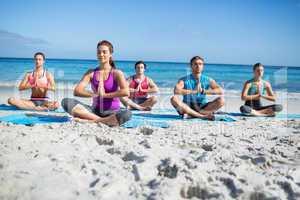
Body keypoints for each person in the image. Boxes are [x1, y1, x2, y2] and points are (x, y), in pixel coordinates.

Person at [61, 40, 131, 126]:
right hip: (94, 111)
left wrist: (104, 95)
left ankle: (90, 121)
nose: (101, 54)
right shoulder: (91, 73)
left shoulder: (116, 73)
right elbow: (77, 91)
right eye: (99, 52)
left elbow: (126, 92)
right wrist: (95, 94)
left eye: (104, 52)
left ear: (110, 54)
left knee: (127, 114)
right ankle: (103, 120)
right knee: (66, 102)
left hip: (113, 112)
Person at [170, 56, 225, 120]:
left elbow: (220, 90)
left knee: (221, 100)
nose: (198, 66)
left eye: (200, 64)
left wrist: (203, 91)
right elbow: (176, 91)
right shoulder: (184, 79)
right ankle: (201, 116)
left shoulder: (208, 79)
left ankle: (193, 115)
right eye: (195, 64)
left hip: (203, 107)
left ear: (203, 66)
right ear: (191, 66)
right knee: (173, 99)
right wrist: (194, 91)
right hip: (187, 106)